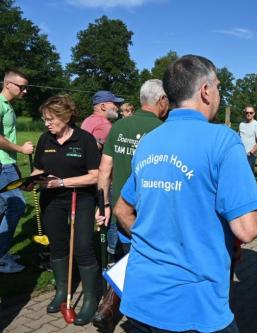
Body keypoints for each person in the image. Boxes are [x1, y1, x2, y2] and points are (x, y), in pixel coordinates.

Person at [114, 55, 257, 332]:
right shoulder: (223, 140)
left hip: (141, 297)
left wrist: (157, 243)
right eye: (218, 86)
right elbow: (246, 228)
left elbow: (122, 210)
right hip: (195, 306)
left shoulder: (149, 142)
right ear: (205, 91)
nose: (219, 94)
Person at [92, 79, 168, 332]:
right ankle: (135, 315)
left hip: (121, 210)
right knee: (148, 269)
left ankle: (112, 306)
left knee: (129, 259)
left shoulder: (119, 126)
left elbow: (105, 169)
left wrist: (103, 204)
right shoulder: (163, 129)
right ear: (161, 101)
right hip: (152, 213)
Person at [31, 95, 100, 325]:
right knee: (58, 247)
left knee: (82, 247)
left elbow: (95, 175)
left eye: (50, 119)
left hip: (79, 199)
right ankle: (62, 292)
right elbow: (38, 169)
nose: (47, 124)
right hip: (51, 201)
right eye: (45, 119)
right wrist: (30, 181)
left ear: (66, 116)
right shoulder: (45, 140)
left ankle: (91, 298)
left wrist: (62, 182)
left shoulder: (85, 140)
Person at [0, 69, 34, 274]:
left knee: (4, 207)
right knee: (18, 205)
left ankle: (2, 253)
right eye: (22, 87)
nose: (25, 91)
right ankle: (2, 258)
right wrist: (21, 149)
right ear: (8, 84)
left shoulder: (8, 106)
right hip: (3, 164)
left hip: (7, 163)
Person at [239, 105, 257, 171]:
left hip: (250, 155)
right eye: (247, 112)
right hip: (240, 154)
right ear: (244, 113)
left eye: (251, 113)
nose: (248, 114)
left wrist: (251, 152)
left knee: (249, 175)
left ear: (254, 114)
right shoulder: (241, 124)